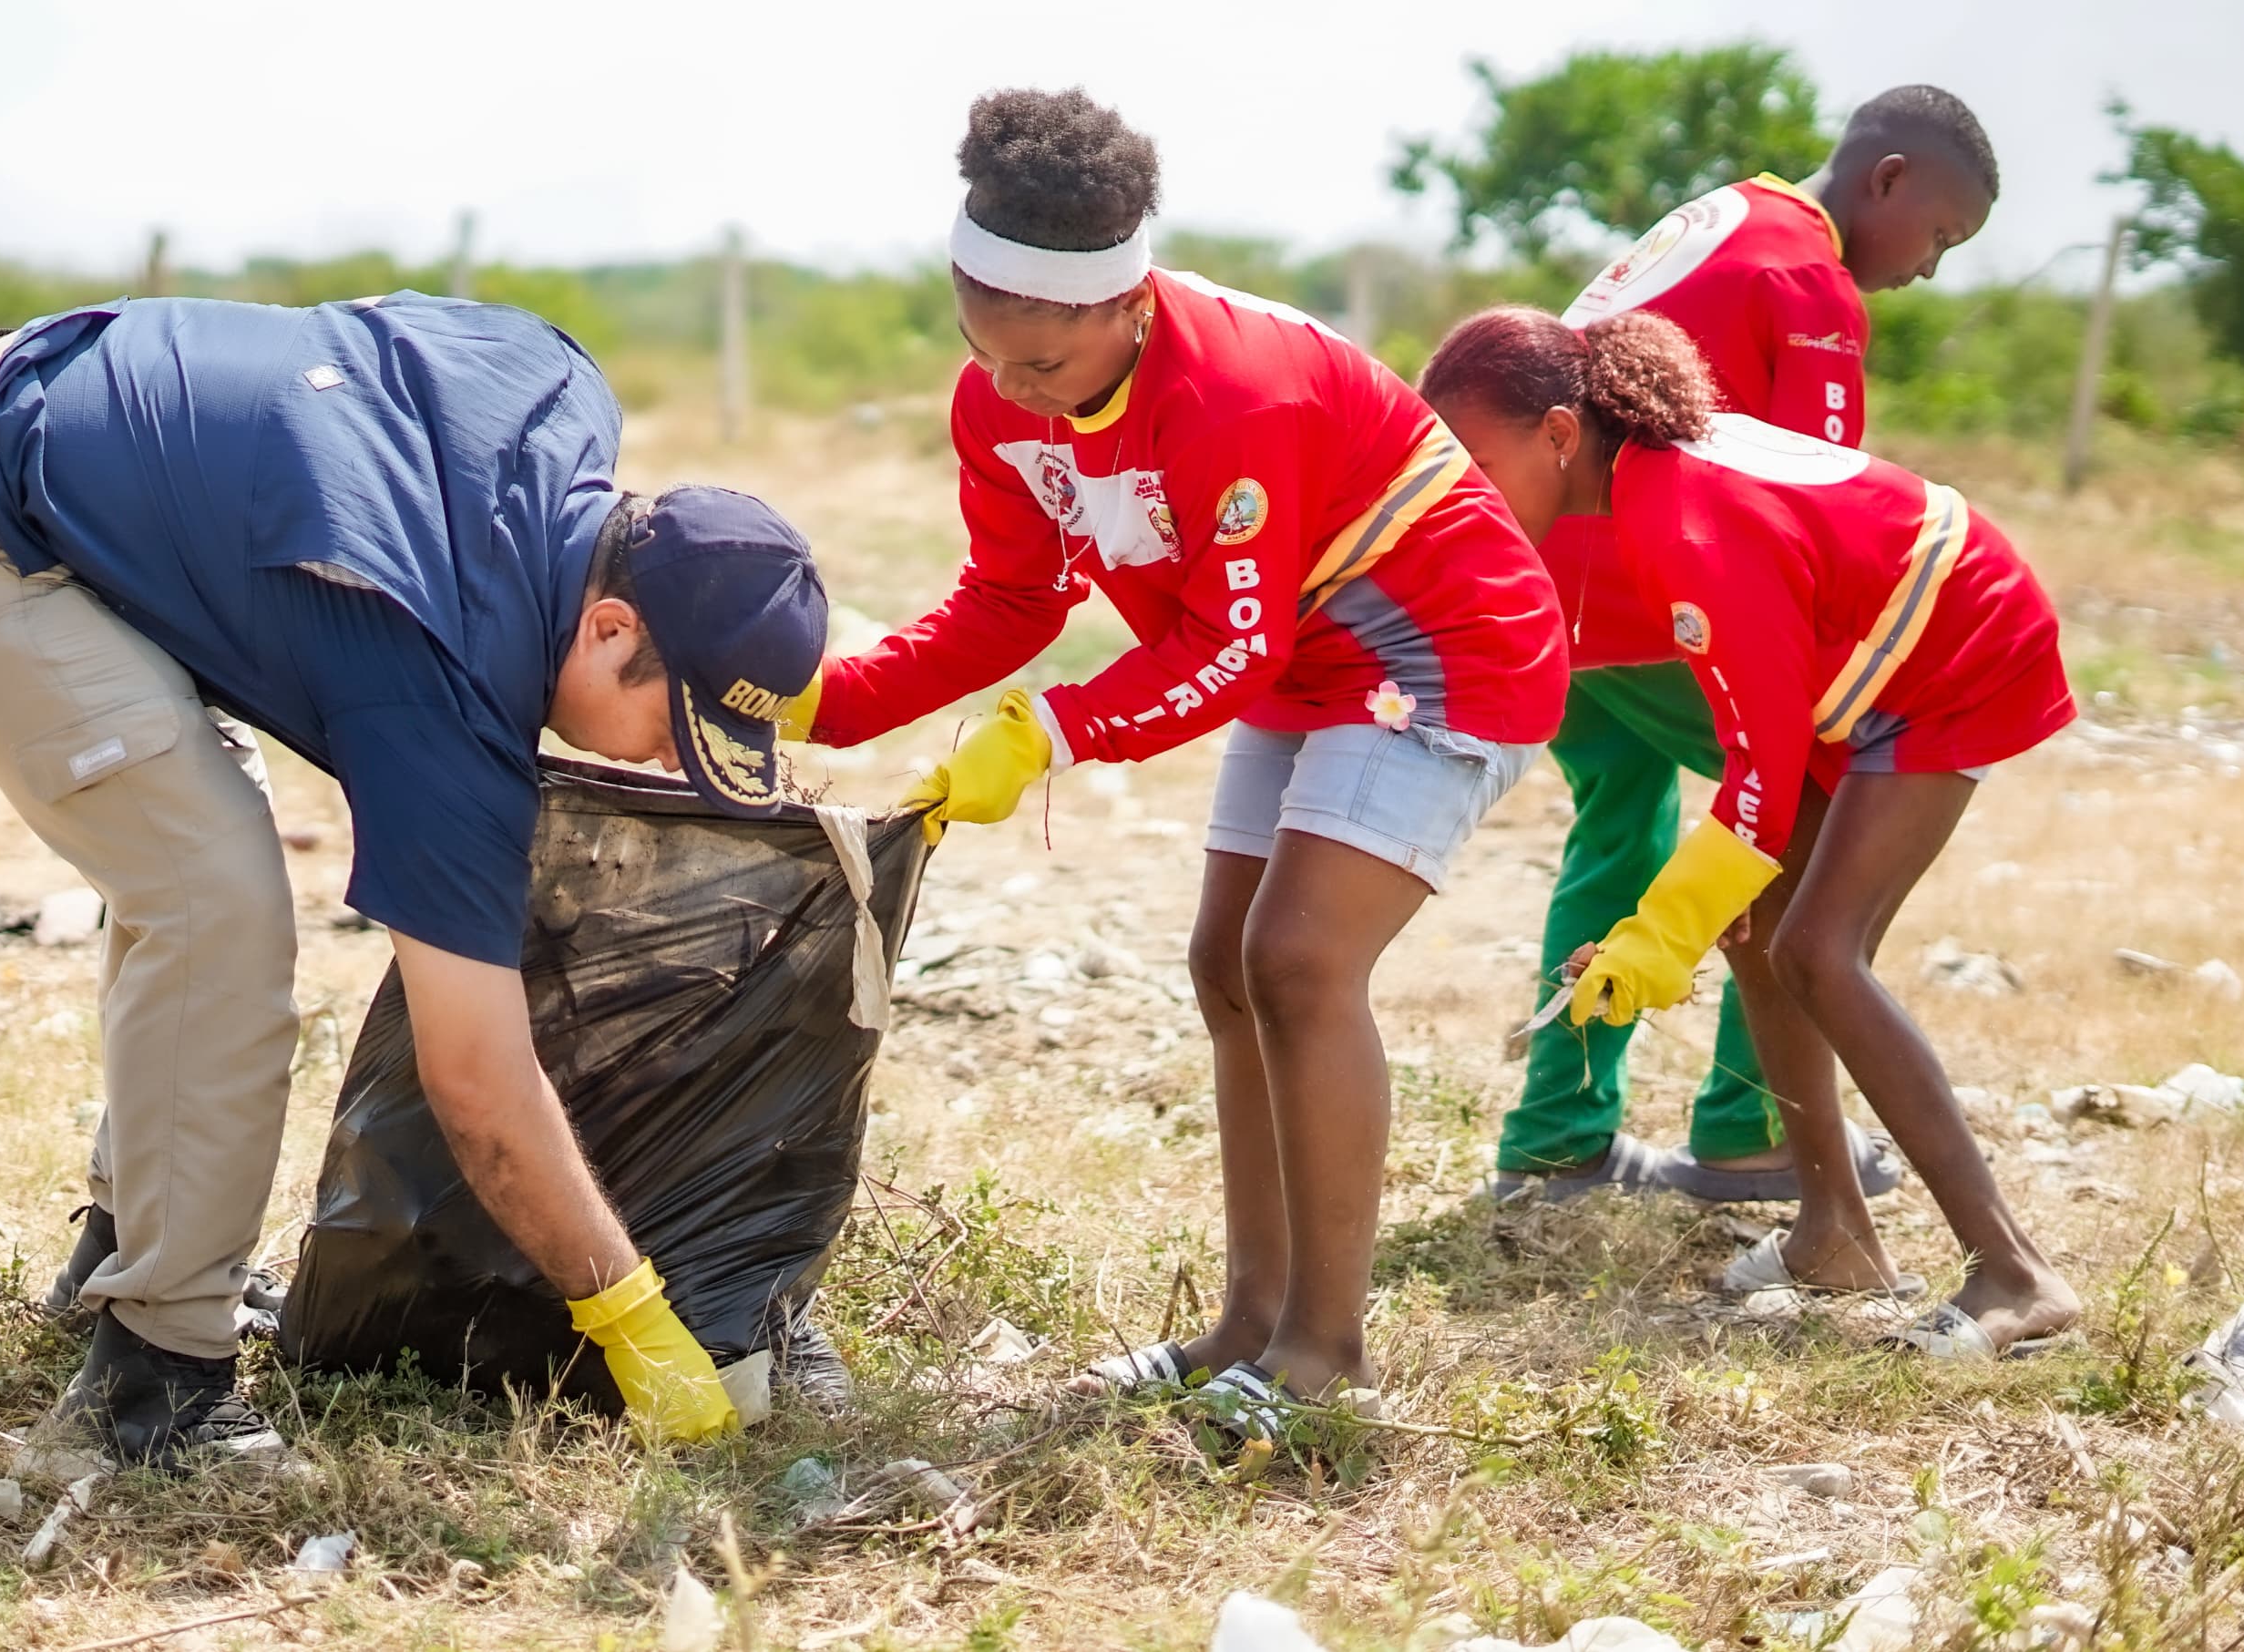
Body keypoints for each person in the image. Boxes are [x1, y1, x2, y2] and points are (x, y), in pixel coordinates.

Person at [0, 291, 825, 1461]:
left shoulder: (562, 385)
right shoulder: (439, 673)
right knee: (212, 899)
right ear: (608, 628)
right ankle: (152, 1383)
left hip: (72, 442)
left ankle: (123, 1253)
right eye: (672, 718)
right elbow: (478, 1084)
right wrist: (628, 1314)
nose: (662, 754)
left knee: (198, 847)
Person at [786, 91, 1565, 1413]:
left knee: (1299, 959)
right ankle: (1245, 1325)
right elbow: (1014, 601)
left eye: (1044, 366)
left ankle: (1324, 1360)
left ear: (1125, 306)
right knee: (1225, 965)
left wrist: (1056, 728)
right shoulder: (1002, 404)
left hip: (1440, 651)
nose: (1014, 391)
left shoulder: (1235, 399)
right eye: (987, 353)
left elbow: (1227, 651)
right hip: (1300, 650)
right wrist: (828, 703)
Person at [1422, 304, 2080, 1354]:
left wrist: (1652, 935)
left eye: (1476, 462)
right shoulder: (1631, 485)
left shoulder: (1682, 521)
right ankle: (1834, 1237)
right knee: (1757, 924)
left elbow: (1758, 790)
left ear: (1556, 433)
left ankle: (2013, 1273)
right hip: (1859, 662)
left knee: (1819, 950)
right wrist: (1679, 923)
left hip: (1954, 646)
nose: (1465, 491)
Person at [1491, 87, 2000, 1205]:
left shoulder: (1716, 216)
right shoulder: (1804, 281)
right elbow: (1801, 503)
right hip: (1649, 592)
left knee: (1618, 829)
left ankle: (1553, 1141)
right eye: (1940, 236)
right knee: (1803, 818)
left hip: (1548, 591)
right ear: (1888, 180)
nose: (1926, 268)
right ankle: (1748, 1129)